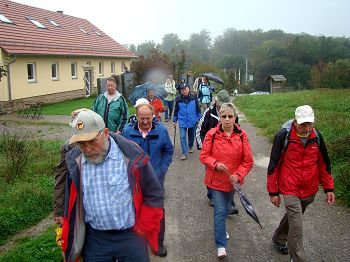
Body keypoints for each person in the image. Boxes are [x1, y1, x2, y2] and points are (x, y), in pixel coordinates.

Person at [61, 109, 164, 262]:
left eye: (92, 142)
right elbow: (70, 202)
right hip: (96, 240)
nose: (87, 150)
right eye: (81, 144)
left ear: (106, 133)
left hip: (131, 236)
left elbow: (154, 193)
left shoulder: (130, 155)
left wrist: (144, 227)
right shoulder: (76, 162)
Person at [267, 105, 335, 262]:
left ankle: (279, 237)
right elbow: (274, 165)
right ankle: (297, 258)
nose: (306, 128)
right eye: (303, 124)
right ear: (295, 121)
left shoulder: (317, 137)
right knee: (297, 226)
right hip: (289, 186)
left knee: (293, 217)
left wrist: (328, 188)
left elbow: (324, 165)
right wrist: (273, 192)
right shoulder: (283, 136)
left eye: (309, 124)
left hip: (309, 189)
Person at [199, 103, 253, 258]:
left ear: (235, 117)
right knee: (220, 210)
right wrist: (215, 164)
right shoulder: (212, 134)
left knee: (224, 210)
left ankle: (221, 228)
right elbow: (204, 156)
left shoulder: (242, 135)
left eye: (230, 116)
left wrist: (238, 174)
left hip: (232, 183)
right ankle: (221, 245)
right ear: (220, 117)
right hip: (215, 182)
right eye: (224, 116)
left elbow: (248, 161)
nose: (227, 119)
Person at [122, 103, 174, 257]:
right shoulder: (127, 132)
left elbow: (168, 151)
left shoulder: (161, 131)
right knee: (133, 210)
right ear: (136, 116)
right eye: (142, 118)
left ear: (153, 116)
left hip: (155, 180)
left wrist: (162, 170)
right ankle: (137, 242)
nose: (145, 121)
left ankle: (158, 243)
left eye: (147, 118)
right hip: (133, 181)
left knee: (157, 211)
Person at [195, 90, 239, 215]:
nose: (223, 108)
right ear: (216, 101)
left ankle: (230, 204)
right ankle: (211, 196)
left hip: (227, 152)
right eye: (220, 105)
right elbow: (199, 130)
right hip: (210, 152)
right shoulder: (209, 113)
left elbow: (237, 132)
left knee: (228, 175)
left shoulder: (232, 114)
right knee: (211, 175)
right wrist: (204, 149)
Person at [173, 82, 201, 160]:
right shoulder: (178, 99)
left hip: (192, 120)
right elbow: (176, 110)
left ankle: (190, 146)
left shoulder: (194, 97)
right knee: (182, 136)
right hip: (182, 120)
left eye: (185, 89)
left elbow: (198, 108)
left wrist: (199, 118)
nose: (184, 91)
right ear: (180, 91)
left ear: (189, 89)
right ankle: (184, 153)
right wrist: (174, 120)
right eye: (182, 90)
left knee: (191, 135)